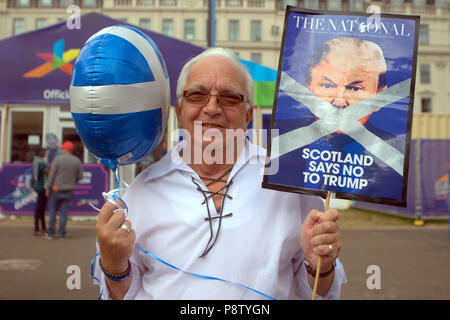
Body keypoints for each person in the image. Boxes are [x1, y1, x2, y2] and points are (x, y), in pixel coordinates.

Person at [94, 47, 346, 300]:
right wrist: (114, 266)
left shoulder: (287, 182)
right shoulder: (143, 190)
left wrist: (319, 268)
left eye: (229, 97)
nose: (212, 108)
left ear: (248, 114)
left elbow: (317, 293)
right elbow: (122, 295)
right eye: (197, 95)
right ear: (180, 111)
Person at [43, 141, 83, 239]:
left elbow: (52, 175)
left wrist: (48, 187)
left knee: (52, 211)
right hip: (69, 189)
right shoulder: (77, 161)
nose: (61, 150)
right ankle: (61, 234)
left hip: (56, 189)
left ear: (66, 149)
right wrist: (72, 181)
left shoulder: (58, 159)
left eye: (62, 148)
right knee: (64, 212)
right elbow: (80, 176)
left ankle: (51, 233)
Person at [32, 148, 48, 236]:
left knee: (41, 208)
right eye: (44, 152)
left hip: (38, 186)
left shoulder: (36, 160)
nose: (45, 153)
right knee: (39, 209)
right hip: (41, 187)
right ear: (40, 152)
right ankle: (37, 229)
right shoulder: (41, 162)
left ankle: (43, 227)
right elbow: (48, 172)